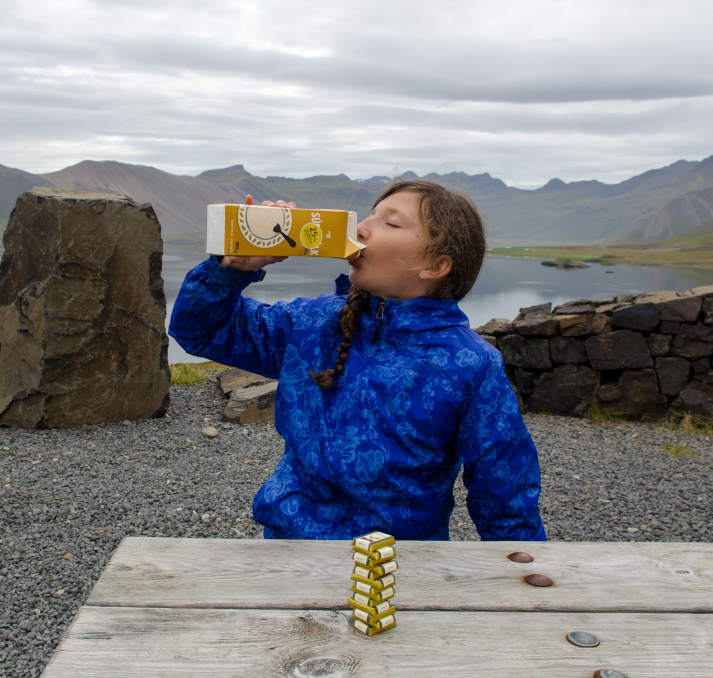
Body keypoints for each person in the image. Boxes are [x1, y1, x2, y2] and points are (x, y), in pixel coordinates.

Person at [169, 179, 545, 541]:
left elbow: (505, 495)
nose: (361, 228)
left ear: (434, 265)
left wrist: (520, 569)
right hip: (291, 552)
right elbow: (199, 331)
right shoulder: (312, 323)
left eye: (391, 222)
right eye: (370, 215)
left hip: (395, 565)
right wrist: (234, 268)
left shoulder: (470, 364)